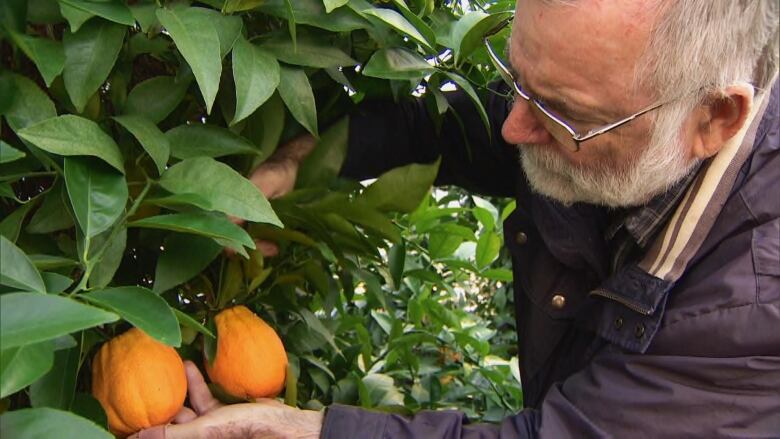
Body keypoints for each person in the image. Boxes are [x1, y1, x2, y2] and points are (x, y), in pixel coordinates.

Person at [133, 0, 780, 437]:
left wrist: (308, 428)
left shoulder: (752, 304)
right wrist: (298, 164)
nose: (514, 124)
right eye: (516, 77)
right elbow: (452, 127)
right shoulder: (612, 96)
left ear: (715, 119)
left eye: (558, 111)